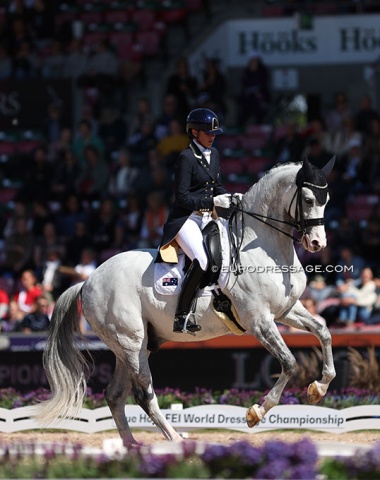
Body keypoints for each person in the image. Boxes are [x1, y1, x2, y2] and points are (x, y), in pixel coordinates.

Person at [156, 108, 241, 334]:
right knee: (202, 261)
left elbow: (216, 186)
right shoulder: (186, 158)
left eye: (214, 133)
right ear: (194, 133)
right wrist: (212, 202)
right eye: (207, 132)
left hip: (206, 217)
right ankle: (181, 315)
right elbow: (182, 197)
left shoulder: (215, 155)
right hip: (185, 219)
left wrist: (232, 198)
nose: (212, 136)